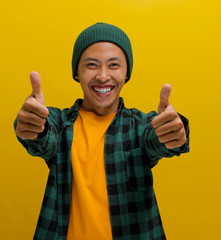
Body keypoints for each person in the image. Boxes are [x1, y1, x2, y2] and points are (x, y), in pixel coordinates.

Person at [14, 22, 190, 240]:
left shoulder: (142, 126)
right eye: (91, 65)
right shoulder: (59, 124)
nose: (103, 76)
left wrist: (173, 133)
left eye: (114, 65)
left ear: (126, 73)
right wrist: (32, 127)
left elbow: (158, 139)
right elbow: (42, 136)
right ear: (77, 73)